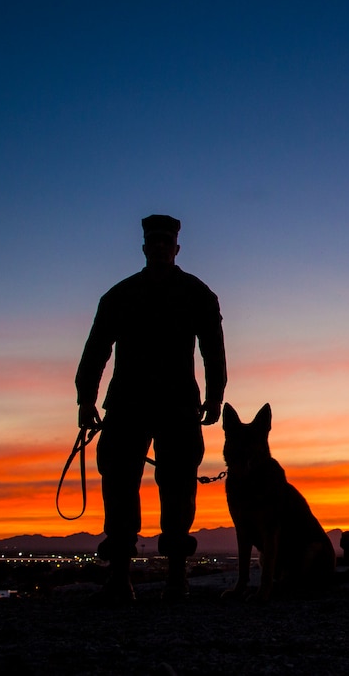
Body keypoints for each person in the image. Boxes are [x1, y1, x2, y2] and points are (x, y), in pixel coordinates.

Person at [76, 214, 226, 602]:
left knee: (177, 488)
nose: (160, 248)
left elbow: (213, 351)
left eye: (166, 242)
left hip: (177, 406)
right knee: (120, 486)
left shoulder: (197, 294)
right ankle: (120, 577)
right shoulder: (119, 296)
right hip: (127, 404)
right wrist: (85, 399)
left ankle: (177, 578)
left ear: (176, 248)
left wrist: (215, 396)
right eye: (154, 243)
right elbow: (95, 351)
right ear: (145, 248)